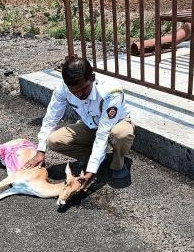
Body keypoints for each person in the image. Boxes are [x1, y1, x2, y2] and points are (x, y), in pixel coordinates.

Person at [25, 58, 135, 192]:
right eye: (74, 91)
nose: (80, 94)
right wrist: (40, 151)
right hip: (90, 126)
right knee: (53, 140)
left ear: (92, 78)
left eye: (84, 88)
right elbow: (51, 118)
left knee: (121, 134)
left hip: (116, 124)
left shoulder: (111, 92)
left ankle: (118, 163)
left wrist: (91, 172)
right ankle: (101, 159)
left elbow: (102, 134)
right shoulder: (63, 88)